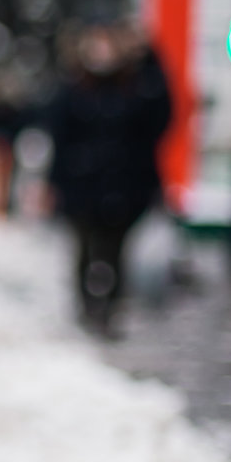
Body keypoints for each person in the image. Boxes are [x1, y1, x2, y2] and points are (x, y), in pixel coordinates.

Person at [45, 20, 174, 337]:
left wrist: (150, 56)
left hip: (125, 187)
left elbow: (163, 116)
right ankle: (86, 307)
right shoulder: (74, 88)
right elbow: (59, 140)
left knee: (115, 254)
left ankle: (110, 310)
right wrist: (54, 183)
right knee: (84, 251)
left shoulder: (135, 85)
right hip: (82, 187)